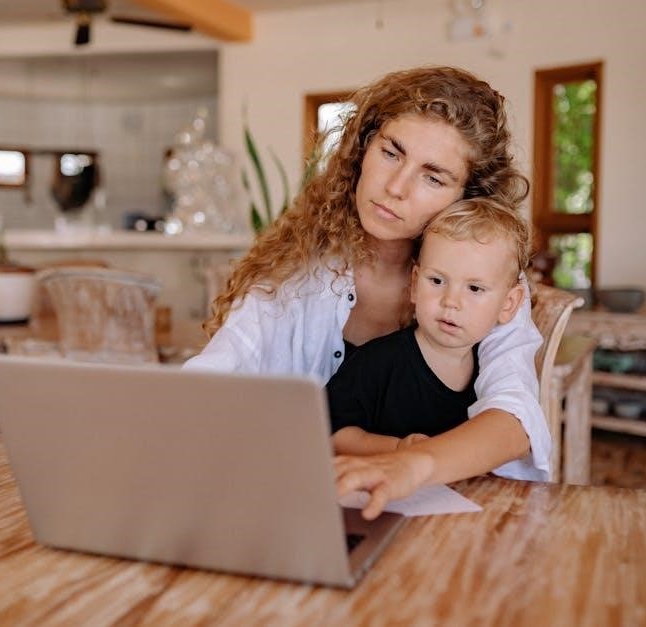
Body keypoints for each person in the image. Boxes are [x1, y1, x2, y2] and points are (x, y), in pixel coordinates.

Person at [184, 66, 550, 517]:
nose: (395, 188)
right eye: (391, 153)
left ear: (467, 197)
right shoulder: (293, 270)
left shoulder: (482, 287)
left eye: (433, 177)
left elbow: (514, 420)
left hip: (457, 515)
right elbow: (217, 372)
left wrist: (411, 464)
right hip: (304, 508)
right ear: (362, 149)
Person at [326, 198, 529, 459]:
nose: (451, 301)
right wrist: (398, 448)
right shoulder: (376, 363)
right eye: (437, 280)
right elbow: (332, 434)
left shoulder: (491, 375)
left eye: (474, 288)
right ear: (414, 283)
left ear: (508, 304)